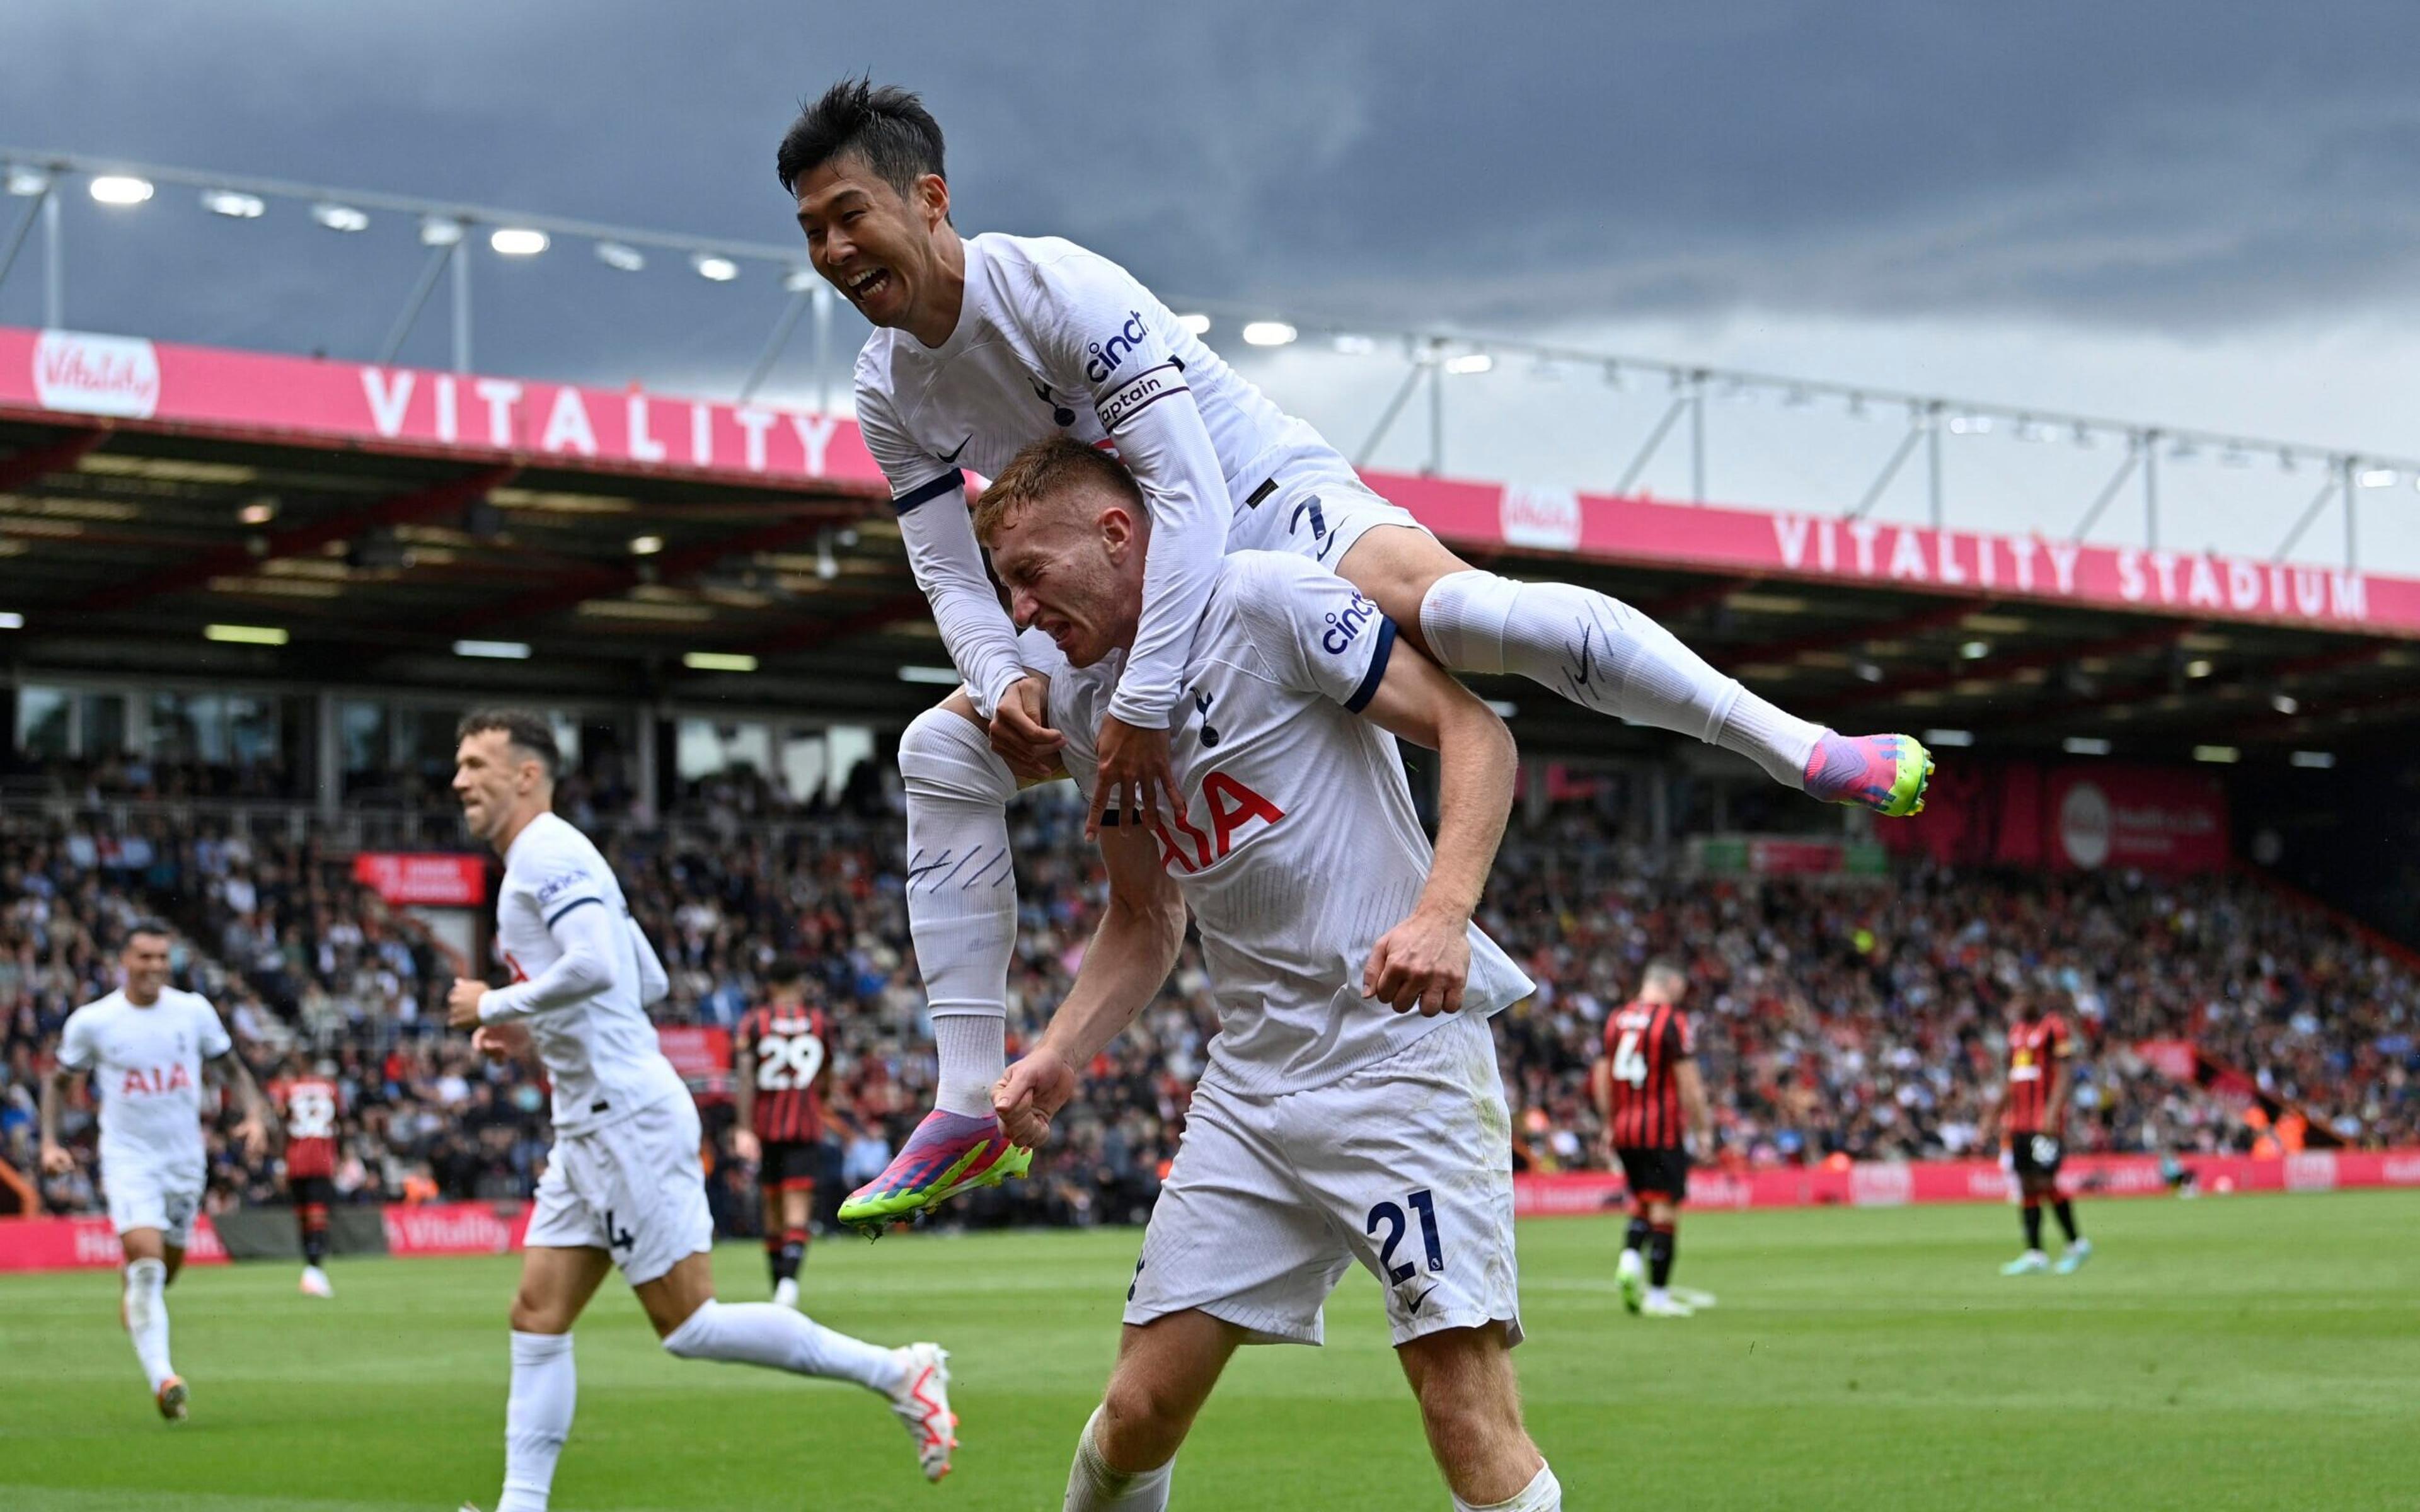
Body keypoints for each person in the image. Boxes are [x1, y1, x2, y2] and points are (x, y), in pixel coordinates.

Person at [773, 77, 1935, 1228]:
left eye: (849, 215)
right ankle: (967, 1102)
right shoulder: (889, 390)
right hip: (1122, 577)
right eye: (812, 229)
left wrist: (1143, 699)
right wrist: (1002, 678)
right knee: (943, 750)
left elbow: (1187, 490)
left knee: (1479, 620)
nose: (832, 248)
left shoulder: (1062, 290)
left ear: (929, 199)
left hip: (1268, 505)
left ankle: (1801, 747)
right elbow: (945, 568)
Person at [982, 439, 1563, 1512]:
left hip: (1401, 1067)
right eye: (1002, 587)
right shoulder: (1083, 703)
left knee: (1463, 1417)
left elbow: (1474, 729)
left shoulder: (1264, 600)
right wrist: (1058, 1054)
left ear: (1116, 533)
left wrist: (1444, 914)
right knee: (1139, 1411)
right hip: (1252, 1090)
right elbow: (1143, 915)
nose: (1019, 612)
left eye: (1030, 572)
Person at [442, 709, 955, 1512]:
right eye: (461, 764)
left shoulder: (544, 852)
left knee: (690, 1325)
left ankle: (898, 1370)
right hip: (590, 1120)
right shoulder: (559, 858)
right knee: (537, 1313)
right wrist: (531, 1032)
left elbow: (596, 963)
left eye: (476, 764)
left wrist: (496, 1004)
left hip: (622, 1118)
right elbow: (641, 980)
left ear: (527, 775)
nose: (460, 779)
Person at [39, 922, 273, 1421]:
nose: (154, 967)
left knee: (165, 1270)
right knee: (147, 1265)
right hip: (129, 1159)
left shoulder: (192, 1012)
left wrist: (253, 1115)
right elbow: (58, 1082)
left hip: (185, 1161)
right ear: (124, 959)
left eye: (162, 957)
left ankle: (135, 1286)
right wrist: (49, 1143)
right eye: (144, 957)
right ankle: (163, 1379)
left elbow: (233, 1068)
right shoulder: (94, 1021)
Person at [1587, 962, 1711, 1318]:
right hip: (1662, 1129)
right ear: (1672, 983)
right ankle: (1658, 1296)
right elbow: (1689, 1084)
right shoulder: (1673, 1021)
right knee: (1665, 1208)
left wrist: (1609, 1123)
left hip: (1625, 1129)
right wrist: (1703, 1130)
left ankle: (1629, 1258)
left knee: (1642, 1200)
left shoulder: (1614, 1019)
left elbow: (1600, 1076)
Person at [730, 956, 833, 1309]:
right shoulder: (819, 1022)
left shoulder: (754, 1022)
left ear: (770, 986)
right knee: (797, 1206)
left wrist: (743, 1128)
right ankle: (788, 1285)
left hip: (765, 1127)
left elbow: (745, 1077)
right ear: (800, 984)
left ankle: (781, 1286)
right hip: (805, 1126)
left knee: (772, 1209)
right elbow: (826, 1077)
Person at [1985, 989, 2090, 1276]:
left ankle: (2076, 1244)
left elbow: (2065, 1073)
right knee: (2026, 1184)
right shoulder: (2016, 1033)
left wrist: (2052, 1114)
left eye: (2021, 999)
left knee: (2045, 1180)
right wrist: (1992, 1118)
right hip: (2019, 1123)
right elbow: (2013, 1079)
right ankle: (2035, 1253)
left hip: (2043, 1121)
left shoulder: (2054, 1027)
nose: (2016, 1005)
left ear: (2034, 1001)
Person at [271, 1055, 345, 1298]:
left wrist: (280, 1162)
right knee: (318, 1216)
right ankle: (315, 1271)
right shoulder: (331, 1089)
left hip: (296, 1159)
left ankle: (311, 1271)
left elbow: (282, 1126)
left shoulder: (290, 1089)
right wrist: (339, 1157)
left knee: (304, 1216)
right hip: (322, 1160)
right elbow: (339, 1125)